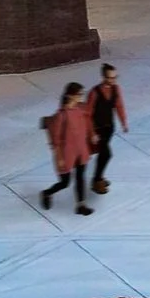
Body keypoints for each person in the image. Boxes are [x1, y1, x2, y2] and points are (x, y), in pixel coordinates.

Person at [40, 83, 95, 215]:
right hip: (67, 154)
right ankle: (47, 193)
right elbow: (56, 139)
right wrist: (59, 157)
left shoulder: (80, 110)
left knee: (80, 177)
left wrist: (92, 135)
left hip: (80, 150)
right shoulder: (61, 115)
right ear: (71, 96)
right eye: (79, 94)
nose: (82, 97)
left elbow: (87, 123)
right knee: (65, 182)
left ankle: (81, 205)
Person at [87, 63, 129, 195]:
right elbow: (88, 114)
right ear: (104, 77)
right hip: (97, 129)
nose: (113, 80)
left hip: (109, 127)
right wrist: (92, 132)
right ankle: (97, 180)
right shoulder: (95, 92)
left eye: (115, 77)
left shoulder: (116, 89)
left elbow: (119, 106)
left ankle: (99, 177)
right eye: (110, 78)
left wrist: (123, 122)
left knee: (103, 154)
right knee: (106, 154)